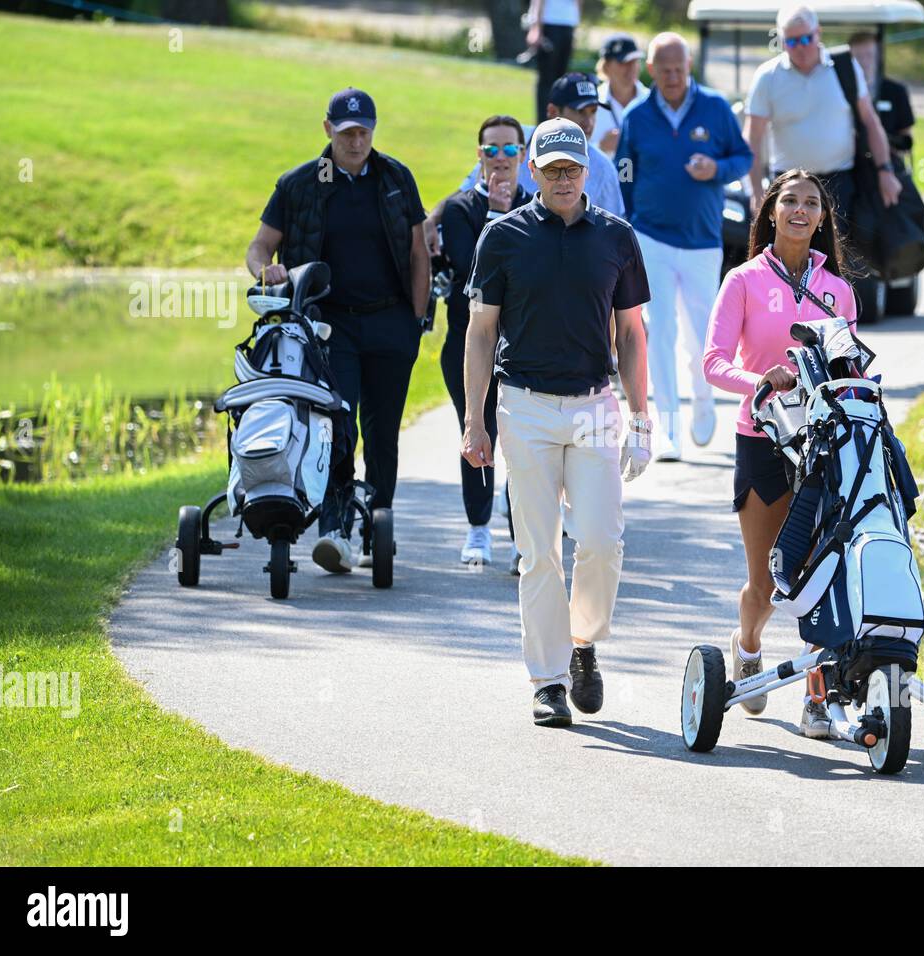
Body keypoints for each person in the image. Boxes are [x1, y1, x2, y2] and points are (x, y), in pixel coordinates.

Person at [462, 118, 652, 728]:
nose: (565, 179)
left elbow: (630, 333)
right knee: (537, 551)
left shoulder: (617, 238)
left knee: (600, 541)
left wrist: (641, 417)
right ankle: (547, 680)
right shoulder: (503, 236)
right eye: (553, 169)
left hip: (596, 405)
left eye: (574, 169)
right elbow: (481, 331)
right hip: (526, 405)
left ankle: (583, 643)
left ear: (587, 170)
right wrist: (475, 420)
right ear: (533, 171)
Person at [246, 88, 429, 573]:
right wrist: (267, 272)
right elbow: (259, 248)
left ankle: (378, 527)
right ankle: (335, 529)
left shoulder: (395, 178)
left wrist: (416, 321)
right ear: (328, 129)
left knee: (383, 432)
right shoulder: (299, 184)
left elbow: (418, 254)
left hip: (391, 322)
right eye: (347, 132)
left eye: (364, 131)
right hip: (327, 327)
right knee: (335, 427)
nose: (356, 141)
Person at [702, 169, 857, 739]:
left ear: (822, 217)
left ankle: (818, 700)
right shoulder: (741, 280)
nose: (799, 210)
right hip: (762, 440)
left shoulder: (837, 290)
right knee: (769, 582)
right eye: (789, 200)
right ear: (770, 211)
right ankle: (747, 646)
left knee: (821, 575)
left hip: (823, 445)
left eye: (810, 203)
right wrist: (759, 382)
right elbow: (713, 361)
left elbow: (851, 366)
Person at [614, 32, 753, 462]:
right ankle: (669, 429)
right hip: (651, 237)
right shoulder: (638, 116)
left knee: (700, 334)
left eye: (679, 68)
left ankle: (705, 401)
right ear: (651, 69)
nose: (672, 77)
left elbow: (743, 158)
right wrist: (631, 221)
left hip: (702, 240)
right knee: (660, 331)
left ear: (688, 65)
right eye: (664, 69)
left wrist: (716, 168)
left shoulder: (713, 107)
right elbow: (624, 171)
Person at [439, 115, 529, 571]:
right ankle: (478, 529)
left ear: (523, 156)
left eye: (510, 149)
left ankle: (522, 540)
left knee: (522, 444)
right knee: (478, 433)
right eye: (491, 149)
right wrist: (495, 213)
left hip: (523, 349)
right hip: (468, 345)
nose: (500, 158)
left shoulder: (537, 206)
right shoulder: (459, 210)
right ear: (479, 155)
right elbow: (472, 270)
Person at [422, 71, 625, 256]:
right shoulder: (513, 142)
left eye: (593, 112)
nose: (588, 122)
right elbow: (466, 191)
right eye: (580, 112)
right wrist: (432, 220)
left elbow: (612, 233)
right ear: (553, 111)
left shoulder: (604, 169)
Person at [744, 5, 902, 226]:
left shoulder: (845, 66)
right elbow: (752, 138)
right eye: (791, 41)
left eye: (806, 39)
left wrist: (885, 170)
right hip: (787, 184)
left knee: (838, 256)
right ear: (781, 42)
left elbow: (870, 121)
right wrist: (756, 190)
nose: (800, 47)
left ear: (818, 32)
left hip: (839, 183)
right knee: (788, 256)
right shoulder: (767, 77)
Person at [847, 31, 915, 161]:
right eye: (858, 57)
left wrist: (882, 141)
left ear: (879, 56)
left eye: (869, 55)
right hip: (851, 163)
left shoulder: (896, 91)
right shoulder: (841, 90)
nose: (864, 62)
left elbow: (906, 139)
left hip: (889, 161)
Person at [590, 33, 650, 157]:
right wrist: (600, 147)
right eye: (623, 62)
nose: (631, 67)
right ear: (606, 67)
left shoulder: (652, 102)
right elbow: (574, 160)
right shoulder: (589, 105)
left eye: (635, 61)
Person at [526, 0, 580, 124]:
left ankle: (557, 122)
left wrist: (575, 25)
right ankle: (542, 123)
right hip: (549, 23)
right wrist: (536, 28)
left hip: (568, 24)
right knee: (546, 80)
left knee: (561, 82)